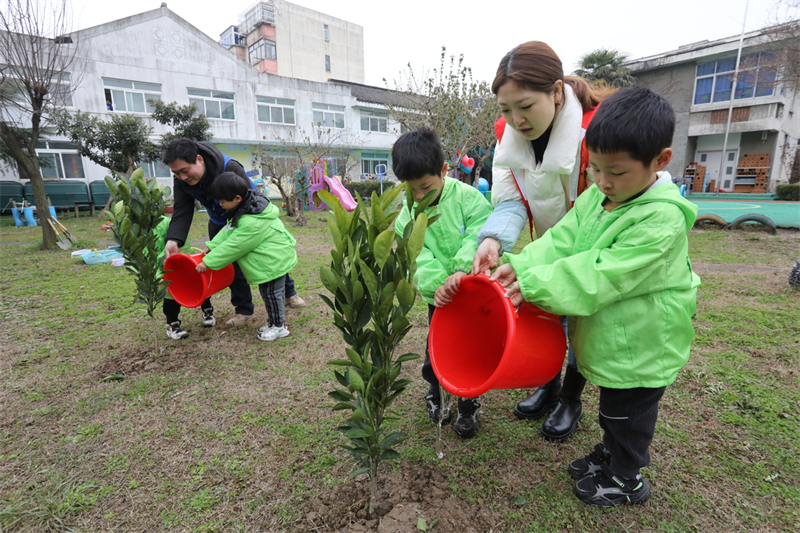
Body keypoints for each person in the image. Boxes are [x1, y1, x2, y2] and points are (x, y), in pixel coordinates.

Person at [491, 87, 700, 507]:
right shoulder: (599, 197)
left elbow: (598, 274)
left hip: (643, 344)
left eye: (617, 172)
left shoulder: (659, 221)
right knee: (612, 410)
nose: (603, 181)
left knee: (628, 416)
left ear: (660, 161)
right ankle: (611, 454)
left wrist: (532, 285)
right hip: (614, 338)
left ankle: (627, 478)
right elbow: (563, 242)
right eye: (596, 170)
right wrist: (523, 265)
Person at [473, 41, 612, 442]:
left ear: (555, 92)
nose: (516, 119)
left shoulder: (595, 131)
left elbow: (602, 205)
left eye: (526, 106)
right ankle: (547, 384)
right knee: (546, 310)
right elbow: (511, 198)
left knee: (580, 320)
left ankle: (571, 397)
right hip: (548, 240)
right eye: (505, 109)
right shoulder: (508, 136)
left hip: (593, 240)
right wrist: (494, 240)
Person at [392, 128, 493, 438]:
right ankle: (435, 395)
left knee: (471, 348)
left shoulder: (468, 198)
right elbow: (414, 254)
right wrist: (437, 284)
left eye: (425, 187)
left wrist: (463, 270)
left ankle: (467, 403)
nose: (419, 197)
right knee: (436, 350)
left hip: (472, 292)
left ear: (444, 170)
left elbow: (478, 232)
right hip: (439, 298)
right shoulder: (407, 212)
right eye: (412, 190)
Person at [162, 138, 305, 327]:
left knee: (268, 256)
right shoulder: (182, 177)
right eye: (176, 173)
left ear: (199, 159)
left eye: (184, 171)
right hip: (219, 220)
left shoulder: (229, 167)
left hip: (248, 217)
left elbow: (245, 201)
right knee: (231, 267)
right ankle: (243, 310)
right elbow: (182, 209)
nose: (182, 177)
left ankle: (289, 292)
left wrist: (237, 234)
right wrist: (174, 239)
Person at [195, 172, 298, 342]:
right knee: (269, 294)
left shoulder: (252, 221)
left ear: (236, 198)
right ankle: (274, 323)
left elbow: (235, 246)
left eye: (222, 201)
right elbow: (229, 229)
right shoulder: (246, 207)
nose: (220, 205)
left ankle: (279, 327)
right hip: (270, 260)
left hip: (273, 261)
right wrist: (211, 246)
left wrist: (208, 262)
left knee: (273, 295)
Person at [153, 216, 215, 340]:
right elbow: (143, 260)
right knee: (171, 294)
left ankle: (208, 311)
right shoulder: (135, 232)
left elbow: (182, 241)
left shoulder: (167, 222)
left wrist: (181, 261)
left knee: (198, 284)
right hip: (160, 267)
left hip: (179, 261)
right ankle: (172, 324)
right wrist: (158, 275)